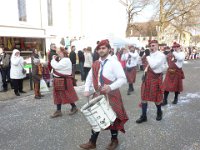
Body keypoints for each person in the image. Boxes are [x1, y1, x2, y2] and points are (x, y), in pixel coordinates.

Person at [79, 39, 128, 150]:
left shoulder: (114, 63)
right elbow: (89, 77)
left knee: (113, 118)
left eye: (103, 48)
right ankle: (92, 142)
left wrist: (110, 87)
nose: (101, 50)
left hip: (112, 94)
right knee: (95, 116)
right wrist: (87, 89)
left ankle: (114, 140)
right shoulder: (96, 63)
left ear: (109, 49)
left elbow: (122, 79)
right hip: (99, 94)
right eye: (99, 49)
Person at [136, 40, 166, 124]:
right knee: (143, 97)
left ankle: (159, 112)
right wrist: (141, 56)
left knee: (157, 98)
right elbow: (140, 63)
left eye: (153, 45)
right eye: (150, 46)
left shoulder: (161, 55)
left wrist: (148, 56)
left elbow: (153, 65)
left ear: (157, 46)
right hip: (147, 78)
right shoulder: (149, 54)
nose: (151, 47)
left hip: (155, 78)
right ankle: (144, 116)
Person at [50, 47, 78, 118]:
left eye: (59, 53)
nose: (58, 54)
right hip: (60, 80)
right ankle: (58, 110)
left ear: (63, 53)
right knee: (58, 95)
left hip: (64, 80)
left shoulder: (66, 60)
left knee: (67, 94)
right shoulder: (62, 60)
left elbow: (56, 66)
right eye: (58, 53)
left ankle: (74, 107)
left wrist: (53, 59)